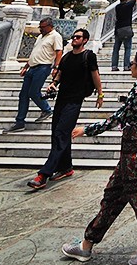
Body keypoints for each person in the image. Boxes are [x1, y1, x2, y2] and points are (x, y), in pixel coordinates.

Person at [64, 48, 137, 265]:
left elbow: (119, 117)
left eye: (133, 63)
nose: (130, 66)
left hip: (134, 154)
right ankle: (86, 244)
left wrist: (87, 129)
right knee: (112, 197)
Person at [28, 28, 104, 189]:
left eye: (78, 37)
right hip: (61, 98)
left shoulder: (89, 56)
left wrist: (100, 93)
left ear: (85, 40)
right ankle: (66, 167)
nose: (74, 39)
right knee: (58, 133)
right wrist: (53, 83)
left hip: (75, 100)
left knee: (61, 133)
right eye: (73, 37)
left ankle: (44, 174)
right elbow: (59, 73)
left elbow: (95, 74)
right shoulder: (67, 56)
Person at [6, 17, 62, 132]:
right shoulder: (41, 36)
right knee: (23, 94)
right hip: (32, 67)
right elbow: (34, 53)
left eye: (43, 27)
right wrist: (26, 66)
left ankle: (46, 109)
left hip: (43, 67)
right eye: (40, 27)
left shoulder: (56, 36)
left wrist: (56, 67)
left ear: (50, 26)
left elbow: (59, 52)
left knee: (33, 92)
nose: (41, 29)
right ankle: (20, 121)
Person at [112, 0, 137, 71]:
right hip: (127, 28)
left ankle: (114, 66)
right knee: (127, 48)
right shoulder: (128, 5)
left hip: (118, 29)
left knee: (116, 49)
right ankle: (126, 66)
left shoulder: (117, 7)